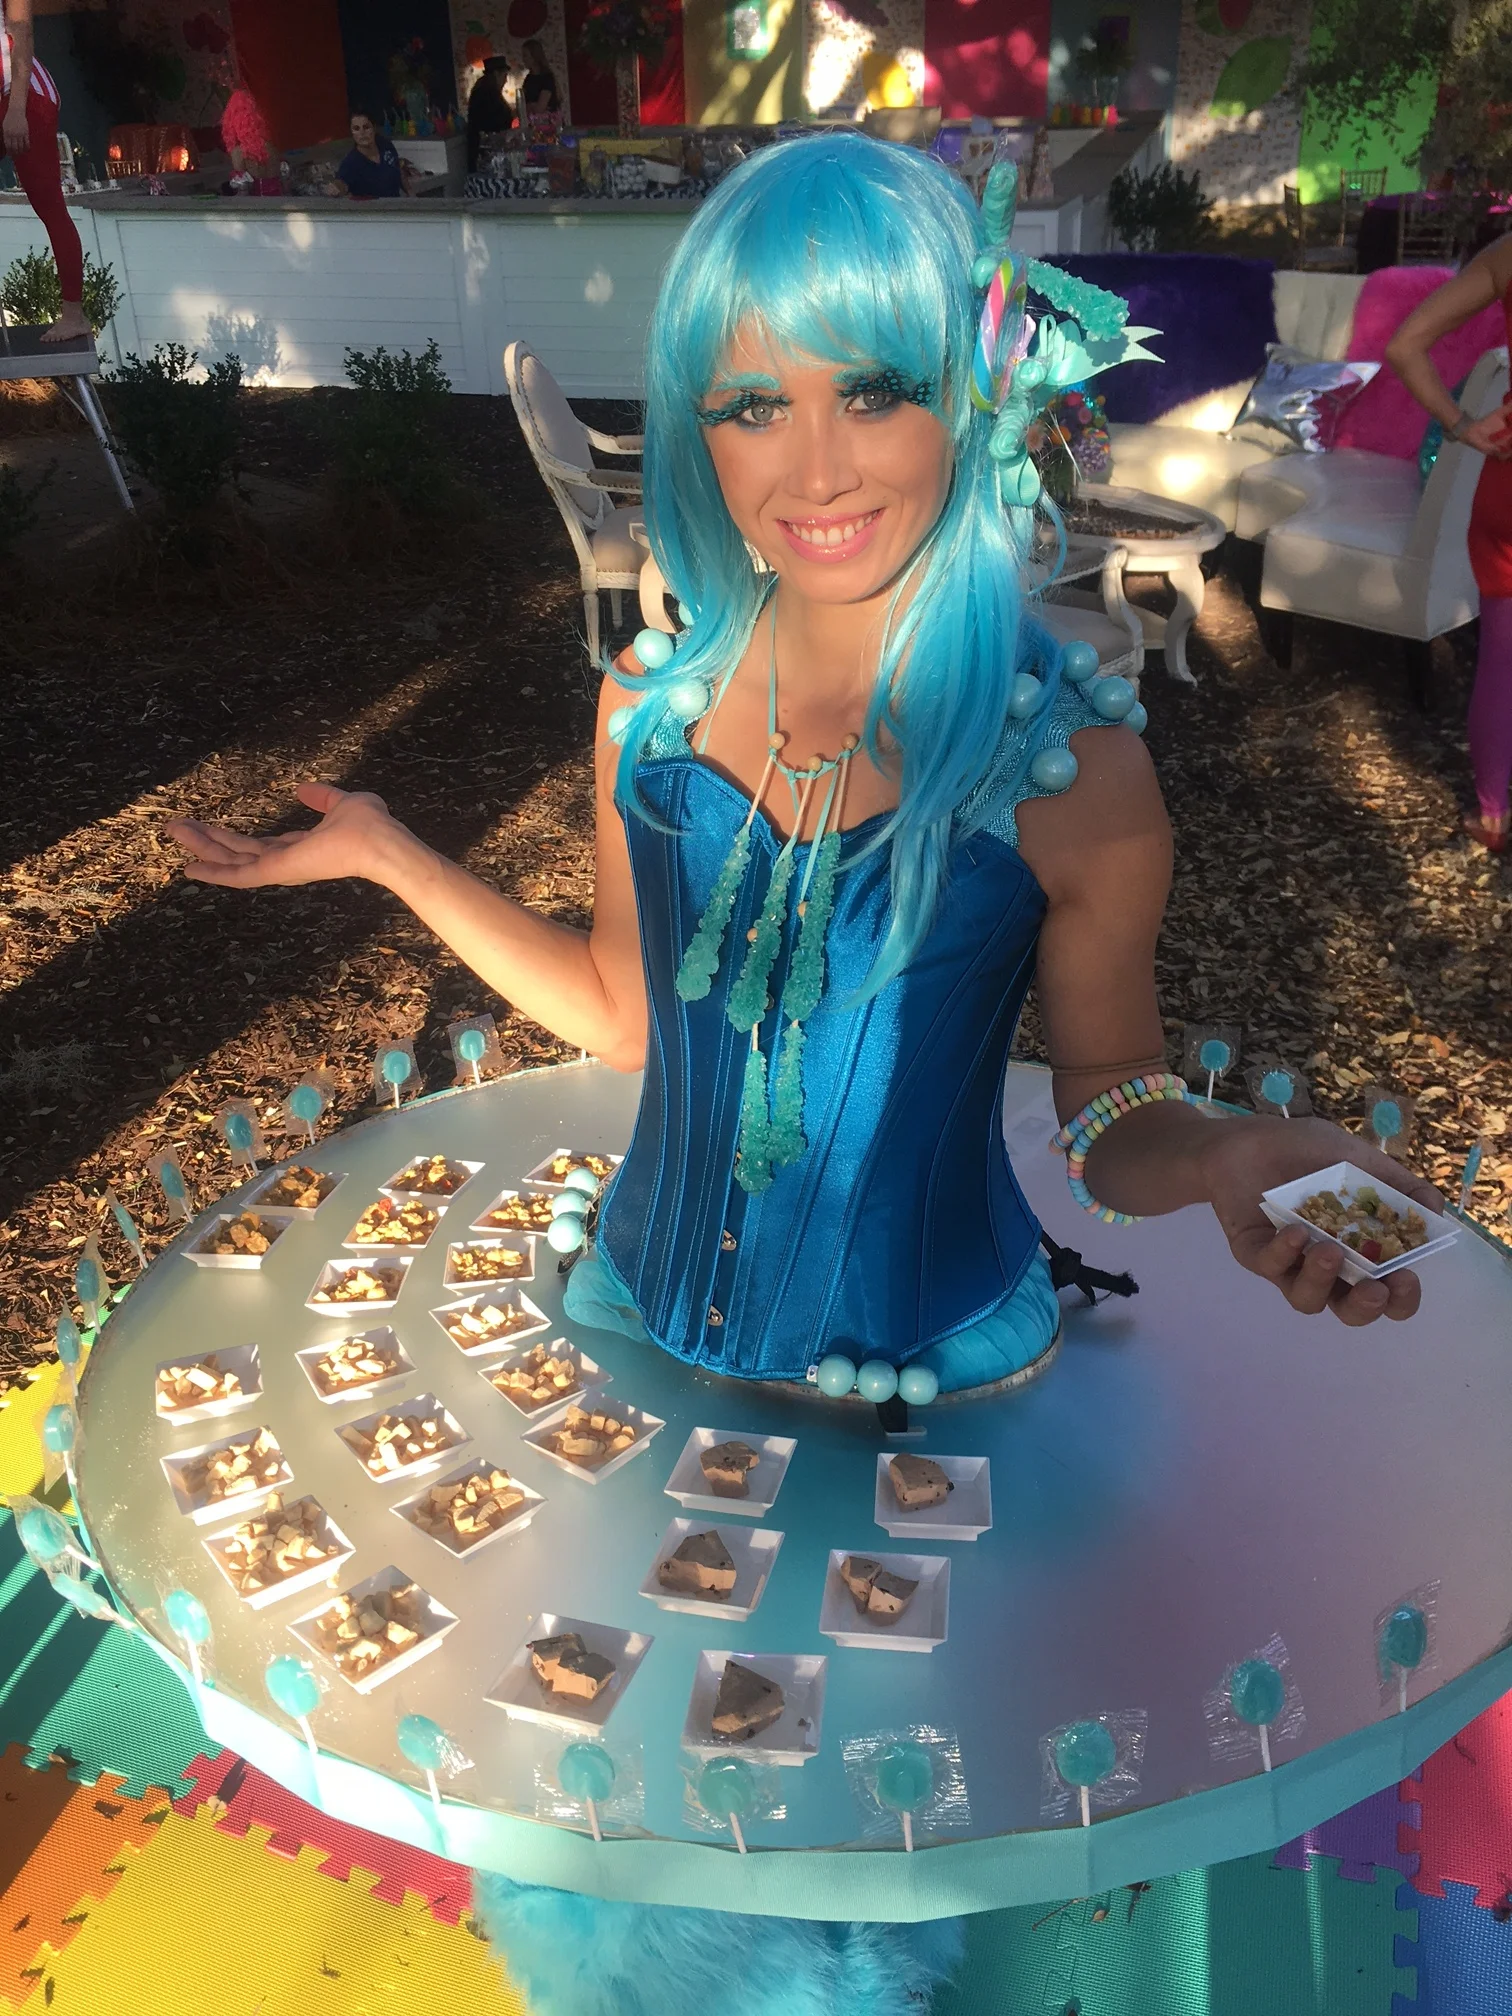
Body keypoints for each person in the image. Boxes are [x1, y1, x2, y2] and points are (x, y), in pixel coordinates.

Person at [165, 129, 1440, 2015]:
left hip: (921, 1390)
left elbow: (1106, 1112)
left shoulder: (1070, 766)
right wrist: (394, 856)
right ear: (697, 426)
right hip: (643, 1336)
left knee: (855, 1833)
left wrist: (1244, 1153)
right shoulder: (646, 708)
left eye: (876, 390)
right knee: (628, 1796)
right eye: (753, 402)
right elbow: (621, 1013)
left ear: (975, 398)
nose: (815, 464)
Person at [1386, 238, 1512, 852]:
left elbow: (1403, 346)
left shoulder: (1506, 252)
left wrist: (1461, 426)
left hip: (1505, 488)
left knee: (1501, 658)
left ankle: (1492, 815)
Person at [0, 0, 86, 342]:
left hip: (23, 94)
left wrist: (17, 110)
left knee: (48, 203)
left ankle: (74, 315)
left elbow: (23, 32)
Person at [325, 111, 414, 200]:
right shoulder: (351, 163)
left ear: (374, 128)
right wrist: (335, 188)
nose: (362, 133)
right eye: (356, 129)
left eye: (366, 127)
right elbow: (342, 184)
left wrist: (411, 194)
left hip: (396, 209)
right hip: (371, 212)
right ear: (352, 133)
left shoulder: (385, 145)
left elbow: (398, 169)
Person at [466, 53, 512, 173]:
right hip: (487, 152)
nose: (506, 80)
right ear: (496, 74)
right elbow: (495, 122)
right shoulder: (488, 95)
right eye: (504, 76)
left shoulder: (481, 91)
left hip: (482, 148)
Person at [519, 37, 560, 119]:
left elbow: (540, 108)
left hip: (548, 124)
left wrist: (531, 106)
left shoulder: (547, 78)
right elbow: (522, 107)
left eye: (525, 55)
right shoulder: (528, 78)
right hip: (533, 124)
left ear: (534, 56)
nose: (523, 59)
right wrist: (532, 106)